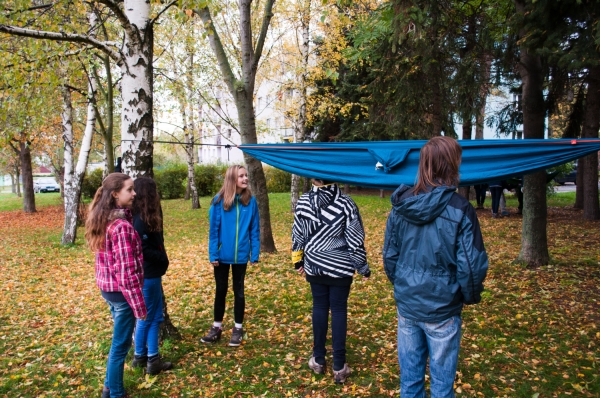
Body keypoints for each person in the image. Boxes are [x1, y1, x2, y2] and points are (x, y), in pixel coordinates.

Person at [383, 136, 488, 398]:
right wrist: (468, 297)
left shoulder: (402, 206)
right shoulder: (460, 209)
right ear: (451, 164)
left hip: (411, 304)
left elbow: (389, 257)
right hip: (441, 308)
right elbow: (472, 267)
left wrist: (404, 285)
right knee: (441, 387)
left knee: (410, 382)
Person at [292, 178, 371, 384]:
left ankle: (318, 360)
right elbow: (355, 239)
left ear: (313, 178)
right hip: (341, 266)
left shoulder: (303, 201)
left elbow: (298, 234)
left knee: (319, 306)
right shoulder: (346, 203)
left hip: (315, 263)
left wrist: (297, 259)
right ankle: (339, 366)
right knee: (338, 310)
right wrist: (362, 266)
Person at [85, 173, 147, 398]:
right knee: (120, 349)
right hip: (121, 295)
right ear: (115, 194)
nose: (134, 193)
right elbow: (127, 272)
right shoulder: (120, 226)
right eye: (129, 190)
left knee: (118, 345)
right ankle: (116, 394)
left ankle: (108, 388)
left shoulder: (105, 219)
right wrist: (139, 307)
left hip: (109, 291)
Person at [201, 165, 260, 347]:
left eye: (246, 175)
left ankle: (238, 328)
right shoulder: (218, 202)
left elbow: (254, 230)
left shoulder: (251, 201)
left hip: (241, 255)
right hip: (221, 255)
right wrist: (213, 253)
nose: (245, 179)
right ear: (232, 179)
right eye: (241, 176)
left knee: (239, 292)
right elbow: (214, 231)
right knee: (221, 290)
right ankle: (217, 327)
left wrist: (254, 253)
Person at [130, 177, 173, 375]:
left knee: (148, 316)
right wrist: (162, 258)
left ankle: (142, 357)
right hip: (149, 274)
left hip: (149, 273)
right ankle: (149, 358)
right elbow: (143, 249)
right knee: (151, 317)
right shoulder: (139, 220)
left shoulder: (141, 216)